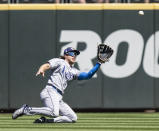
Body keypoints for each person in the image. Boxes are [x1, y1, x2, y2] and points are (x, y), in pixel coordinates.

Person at [12, 47, 103, 123]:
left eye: (76, 54)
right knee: (54, 112)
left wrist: (99, 63)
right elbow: (47, 65)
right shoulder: (60, 61)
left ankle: (46, 121)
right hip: (50, 90)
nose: (74, 55)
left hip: (58, 96)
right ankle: (26, 110)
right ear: (66, 54)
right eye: (72, 53)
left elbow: (88, 75)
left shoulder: (74, 71)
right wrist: (42, 69)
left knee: (72, 118)